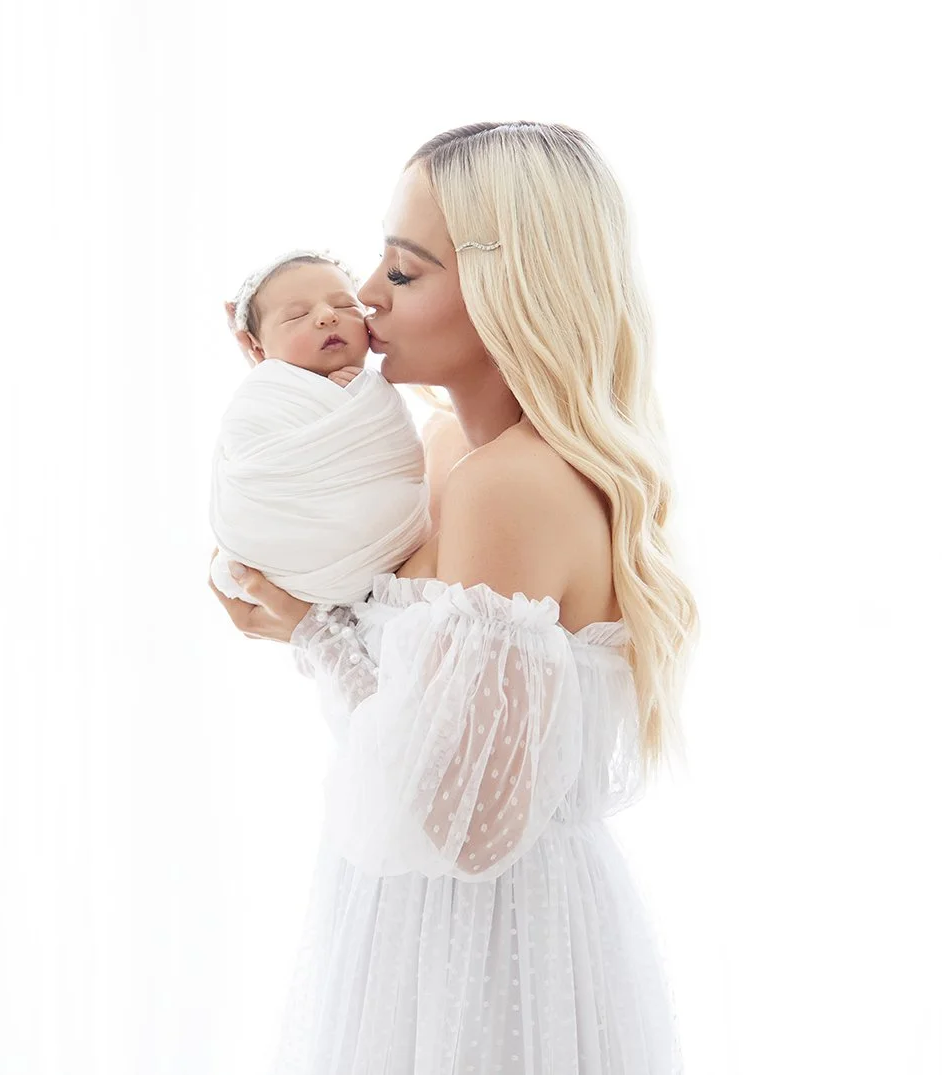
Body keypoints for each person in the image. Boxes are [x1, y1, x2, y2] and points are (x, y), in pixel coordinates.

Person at [208, 122, 699, 1074]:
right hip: (417, 924)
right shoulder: (436, 451)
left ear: (508, 290)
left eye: (403, 271)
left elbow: (463, 820)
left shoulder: (506, 487)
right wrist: (291, 398)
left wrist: (314, 636)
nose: (363, 296)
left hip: (484, 949)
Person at [208, 249, 432, 608]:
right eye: (297, 315)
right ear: (257, 348)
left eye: (346, 306)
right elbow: (249, 466)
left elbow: (400, 461)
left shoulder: (378, 395)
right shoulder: (262, 398)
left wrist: (367, 396)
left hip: (388, 556)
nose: (328, 317)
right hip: (291, 557)